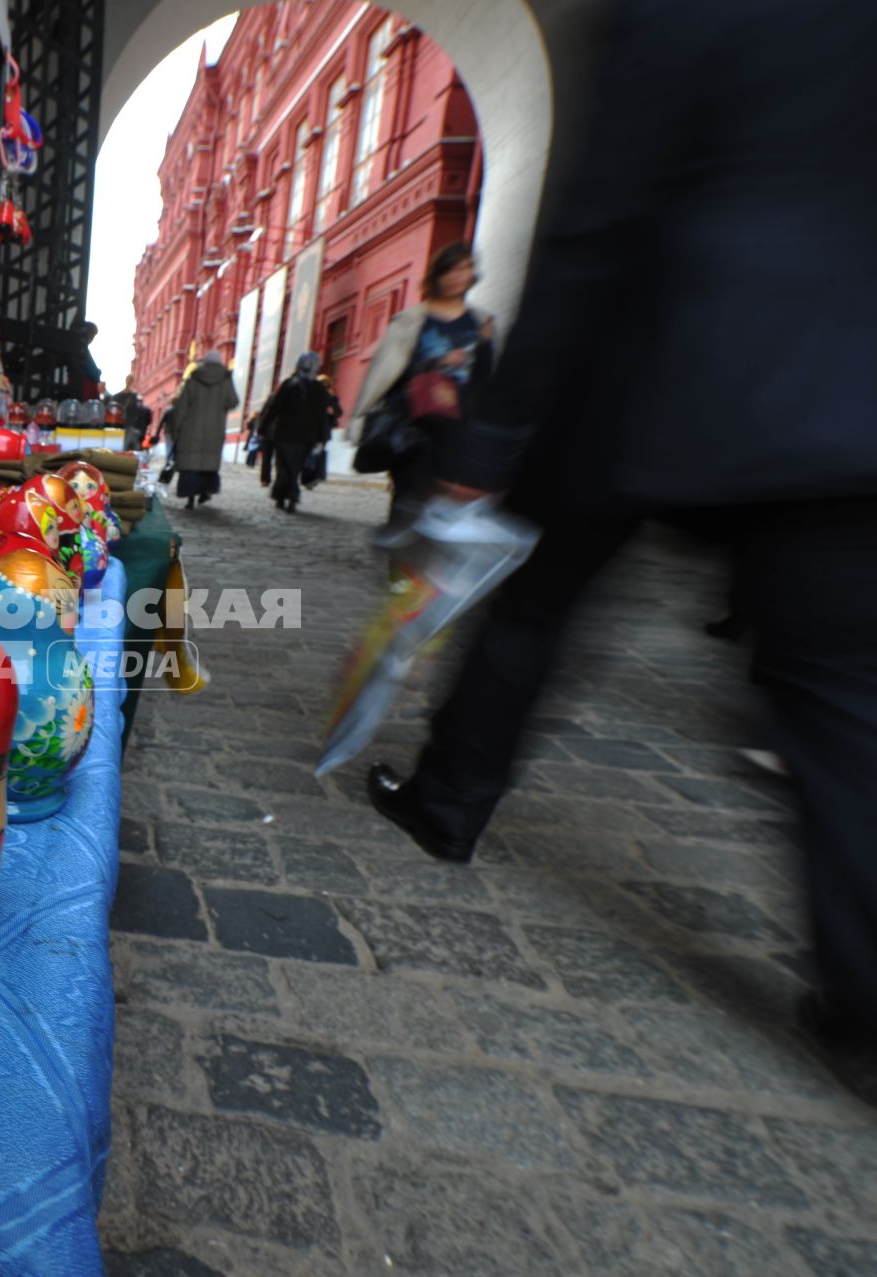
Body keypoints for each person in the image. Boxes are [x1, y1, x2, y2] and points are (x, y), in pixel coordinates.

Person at [361, 0, 877, 1058]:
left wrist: (493, 448)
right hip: (849, 403)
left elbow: (593, 225)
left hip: (663, 377)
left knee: (534, 609)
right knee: (843, 699)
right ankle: (867, 1002)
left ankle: (449, 803)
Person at [347, 243, 496, 537]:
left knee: (441, 507)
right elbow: (390, 373)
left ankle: (421, 571)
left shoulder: (481, 323)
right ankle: (402, 576)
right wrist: (440, 360)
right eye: (451, 269)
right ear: (437, 275)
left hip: (456, 428)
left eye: (465, 269)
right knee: (408, 500)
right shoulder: (411, 320)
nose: (458, 276)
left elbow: (484, 379)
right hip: (414, 425)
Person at [257, 352, 332, 513]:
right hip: (306, 437)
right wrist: (323, 437)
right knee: (295, 468)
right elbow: (322, 416)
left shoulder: (289, 384)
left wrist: (263, 428)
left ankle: (282, 496)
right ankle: (291, 496)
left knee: (283, 467)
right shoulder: (319, 388)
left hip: (284, 434)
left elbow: (275, 408)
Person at [167, 349, 236, 509]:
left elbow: (181, 407)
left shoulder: (193, 380)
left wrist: (176, 428)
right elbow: (233, 401)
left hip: (191, 431)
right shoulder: (226, 380)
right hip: (215, 430)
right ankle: (205, 492)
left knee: (191, 464)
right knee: (208, 463)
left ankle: (190, 498)